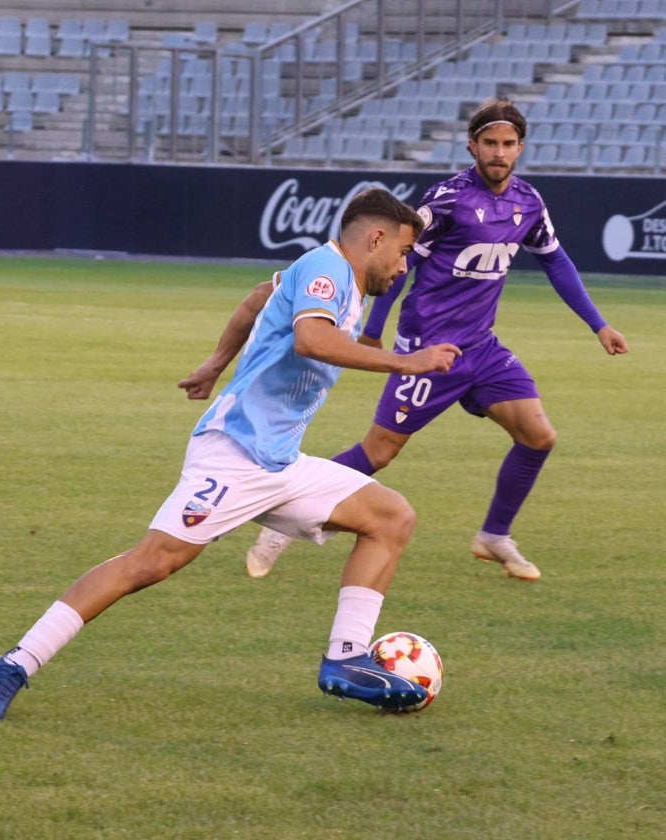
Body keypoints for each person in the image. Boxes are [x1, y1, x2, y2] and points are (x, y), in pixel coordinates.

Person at [0, 188, 460, 719]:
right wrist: (404, 363)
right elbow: (312, 342)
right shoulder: (328, 269)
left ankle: (345, 661)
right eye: (405, 251)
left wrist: (214, 363)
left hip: (278, 461)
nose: (405, 264)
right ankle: (15, 663)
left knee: (391, 516)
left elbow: (257, 297)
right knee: (151, 563)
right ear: (376, 238)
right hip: (232, 454)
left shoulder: (335, 280)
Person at [230, 98, 628, 582]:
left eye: (508, 144)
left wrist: (598, 324)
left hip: (481, 349)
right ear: (472, 146)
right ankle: (283, 524)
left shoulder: (529, 203)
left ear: (520, 148)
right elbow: (398, 264)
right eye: (489, 143)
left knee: (538, 436)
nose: (499, 153)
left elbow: (556, 262)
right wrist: (376, 329)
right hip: (428, 348)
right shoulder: (446, 199)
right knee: (379, 452)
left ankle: (494, 535)